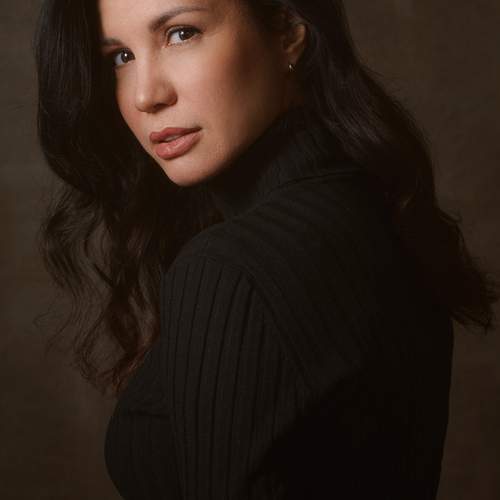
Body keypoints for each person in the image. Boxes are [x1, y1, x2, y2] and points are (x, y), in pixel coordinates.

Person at [34, 0, 498, 498]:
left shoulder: (230, 269)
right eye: (120, 58)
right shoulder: (378, 211)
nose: (146, 95)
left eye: (181, 34)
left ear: (288, 29)